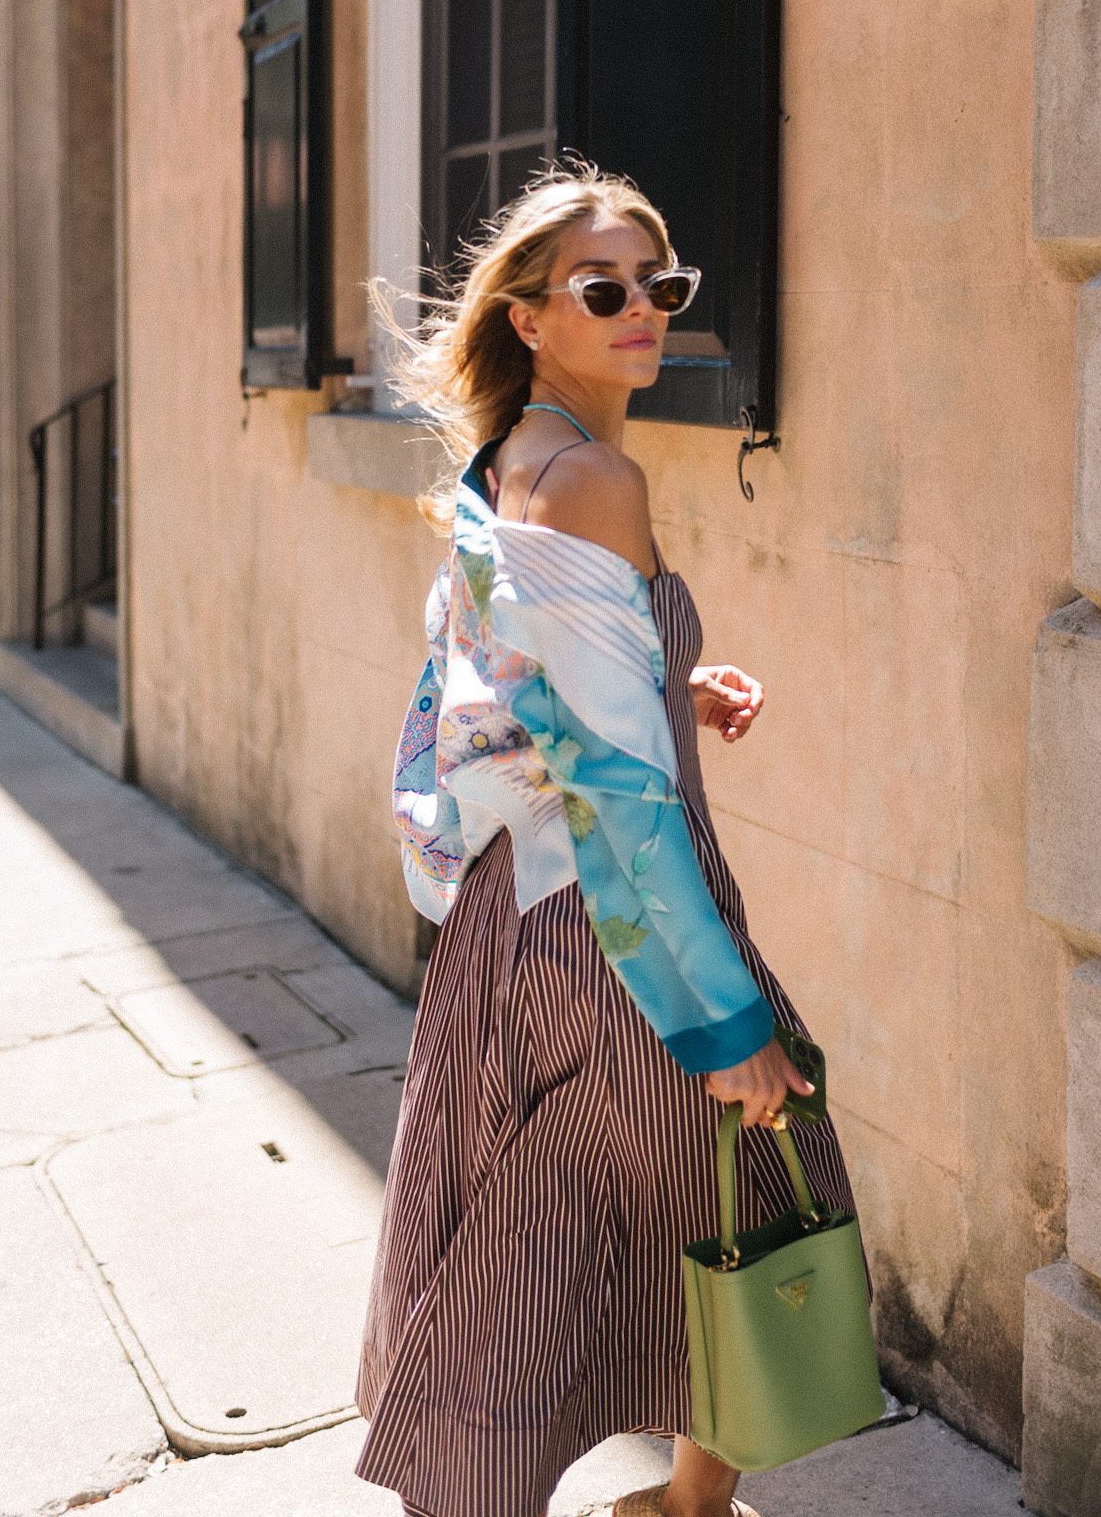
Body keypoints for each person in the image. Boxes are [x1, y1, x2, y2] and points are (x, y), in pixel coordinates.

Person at [354, 165, 859, 1517]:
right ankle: (674, 1505)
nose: (643, 307)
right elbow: (620, 796)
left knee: (546, 1222)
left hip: (517, 917)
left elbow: (522, 676)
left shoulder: (509, 461)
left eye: (662, 283)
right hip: (604, 924)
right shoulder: (593, 479)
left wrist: (672, 680)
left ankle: (656, 1501)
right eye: (604, 287)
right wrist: (718, 1013)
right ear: (530, 317)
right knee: (744, 1155)